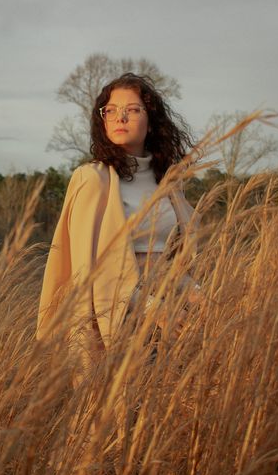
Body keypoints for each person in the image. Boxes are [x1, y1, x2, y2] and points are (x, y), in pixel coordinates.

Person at [36, 73, 200, 376]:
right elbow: (92, 270)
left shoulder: (168, 185)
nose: (120, 116)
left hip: (171, 318)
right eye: (110, 110)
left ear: (151, 122)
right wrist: (151, 309)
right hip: (116, 320)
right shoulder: (92, 179)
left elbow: (175, 261)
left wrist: (201, 297)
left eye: (133, 109)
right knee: (118, 416)